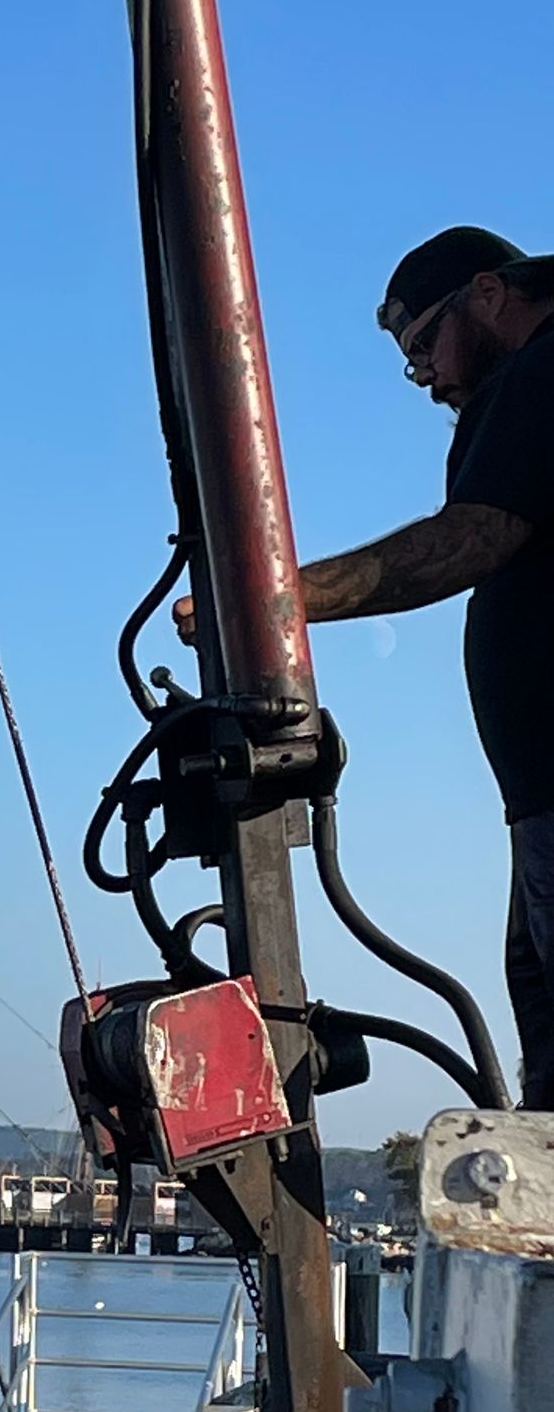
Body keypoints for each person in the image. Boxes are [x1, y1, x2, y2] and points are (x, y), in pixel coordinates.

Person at [180, 226, 554, 1103]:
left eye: (424, 345)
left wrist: (265, 599)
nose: (426, 379)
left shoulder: (540, 376)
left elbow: (466, 541)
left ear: (490, 295)